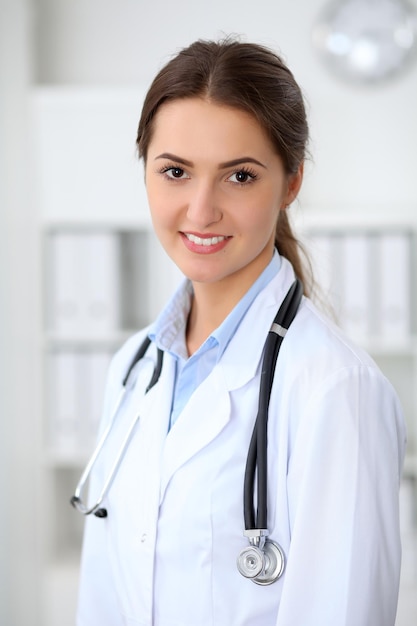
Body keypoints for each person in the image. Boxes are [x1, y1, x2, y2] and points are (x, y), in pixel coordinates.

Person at [76, 38, 406, 626]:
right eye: (175, 171)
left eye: (239, 176)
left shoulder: (336, 388)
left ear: (291, 183)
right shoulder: (132, 368)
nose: (200, 211)